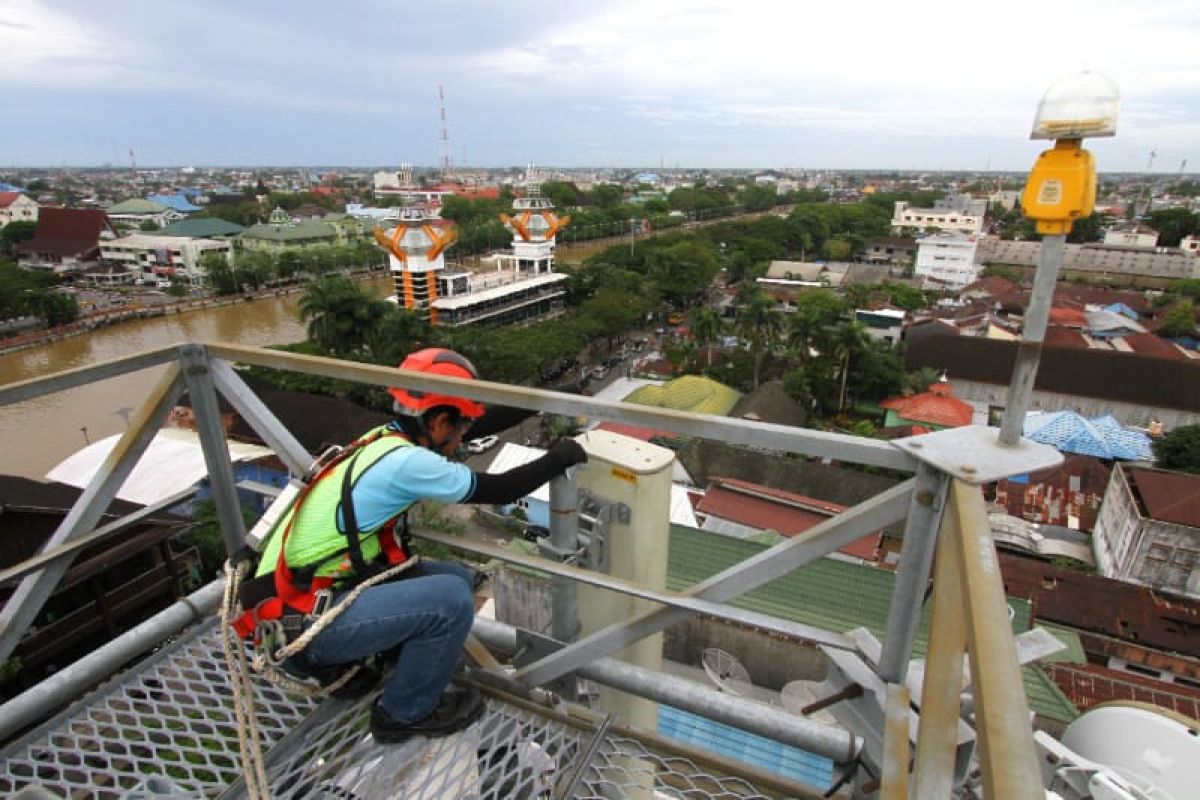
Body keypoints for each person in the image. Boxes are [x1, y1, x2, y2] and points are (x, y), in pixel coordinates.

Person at [247, 348, 587, 743]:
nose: (464, 438)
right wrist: (559, 457)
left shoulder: (387, 436)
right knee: (450, 602)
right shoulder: (410, 463)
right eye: (459, 429)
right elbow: (502, 488)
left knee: (457, 578)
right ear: (440, 422)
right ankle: (403, 714)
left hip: (305, 595)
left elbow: (475, 427)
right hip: (307, 626)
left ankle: (384, 659)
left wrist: (546, 399)